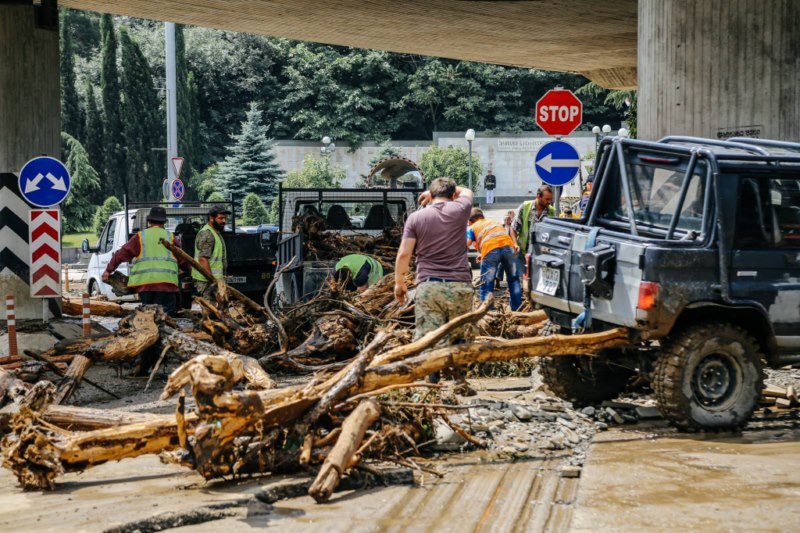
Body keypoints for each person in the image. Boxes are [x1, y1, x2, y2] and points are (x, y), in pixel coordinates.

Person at [395, 177, 475, 395]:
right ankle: (460, 383)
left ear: (430, 195)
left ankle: (431, 387)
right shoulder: (461, 209)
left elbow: (404, 254)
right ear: (453, 194)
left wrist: (399, 283)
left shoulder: (416, 218)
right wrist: (448, 191)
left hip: (429, 287)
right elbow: (467, 190)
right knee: (460, 336)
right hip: (460, 286)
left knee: (429, 338)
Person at [103, 206, 187, 315]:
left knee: (148, 316)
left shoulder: (139, 237)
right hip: (167, 284)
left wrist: (108, 270)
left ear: (149, 221)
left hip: (146, 286)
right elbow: (183, 259)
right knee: (164, 317)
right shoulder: (171, 237)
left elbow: (121, 254)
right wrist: (189, 271)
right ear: (164, 223)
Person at [466, 208, 522, 311]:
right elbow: (497, 241)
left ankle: (487, 311)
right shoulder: (494, 222)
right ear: (482, 216)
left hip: (491, 251)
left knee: (487, 282)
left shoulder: (473, 227)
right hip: (508, 249)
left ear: (470, 221)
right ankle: (517, 309)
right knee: (514, 280)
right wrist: (483, 254)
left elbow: (467, 244)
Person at [511, 185, 555, 275]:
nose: (549, 202)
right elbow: (513, 228)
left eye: (551, 199)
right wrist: (515, 244)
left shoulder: (551, 211)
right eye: (547, 199)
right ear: (538, 196)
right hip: (523, 253)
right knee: (521, 279)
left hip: (541, 255)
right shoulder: (525, 207)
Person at [192, 204, 230, 302]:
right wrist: (213, 281)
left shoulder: (215, 232)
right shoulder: (208, 234)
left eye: (225, 218)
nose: (224, 221)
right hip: (207, 283)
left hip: (213, 282)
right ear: (211, 218)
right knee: (210, 308)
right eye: (220, 218)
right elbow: (203, 259)